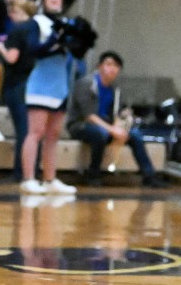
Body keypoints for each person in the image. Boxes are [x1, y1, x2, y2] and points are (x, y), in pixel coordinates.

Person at [68, 52, 167, 188]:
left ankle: (149, 176)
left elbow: (115, 112)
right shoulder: (86, 84)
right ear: (99, 66)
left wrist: (124, 116)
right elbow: (88, 115)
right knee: (100, 134)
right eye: (108, 64)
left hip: (105, 126)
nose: (112, 69)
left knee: (135, 135)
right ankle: (93, 174)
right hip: (80, 125)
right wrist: (112, 129)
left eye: (116, 66)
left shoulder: (114, 89)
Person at [18, 0, 79, 196]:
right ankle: (28, 178)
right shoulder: (38, 23)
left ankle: (50, 178)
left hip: (60, 84)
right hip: (41, 84)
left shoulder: (66, 24)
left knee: (53, 134)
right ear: (43, 0)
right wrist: (55, 40)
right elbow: (32, 49)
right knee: (35, 132)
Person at [0, 0, 38, 182]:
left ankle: (20, 173)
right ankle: (32, 170)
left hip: (17, 83)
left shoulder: (17, 31)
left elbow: (12, 58)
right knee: (32, 130)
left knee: (23, 131)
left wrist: (0, 47)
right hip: (32, 82)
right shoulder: (35, 28)